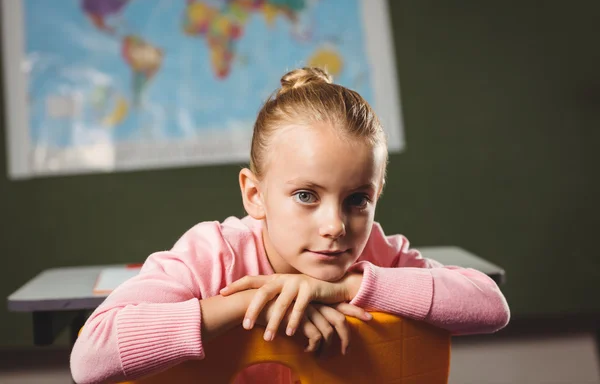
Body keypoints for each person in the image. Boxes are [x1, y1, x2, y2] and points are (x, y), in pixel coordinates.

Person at [70, 67, 510, 384]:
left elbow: (490, 307)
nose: (335, 225)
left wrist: (347, 287)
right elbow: (90, 357)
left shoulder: (375, 252)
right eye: (306, 196)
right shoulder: (213, 254)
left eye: (358, 200)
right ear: (254, 195)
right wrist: (259, 301)